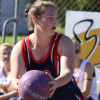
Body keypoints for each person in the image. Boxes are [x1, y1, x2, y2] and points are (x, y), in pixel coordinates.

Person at [11, 1, 84, 100]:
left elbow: (67, 72)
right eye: (50, 18)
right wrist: (21, 84)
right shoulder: (20, 47)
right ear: (35, 19)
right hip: (34, 94)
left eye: (55, 18)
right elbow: (15, 79)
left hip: (64, 91)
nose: (55, 22)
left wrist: (55, 83)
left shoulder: (64, 42)